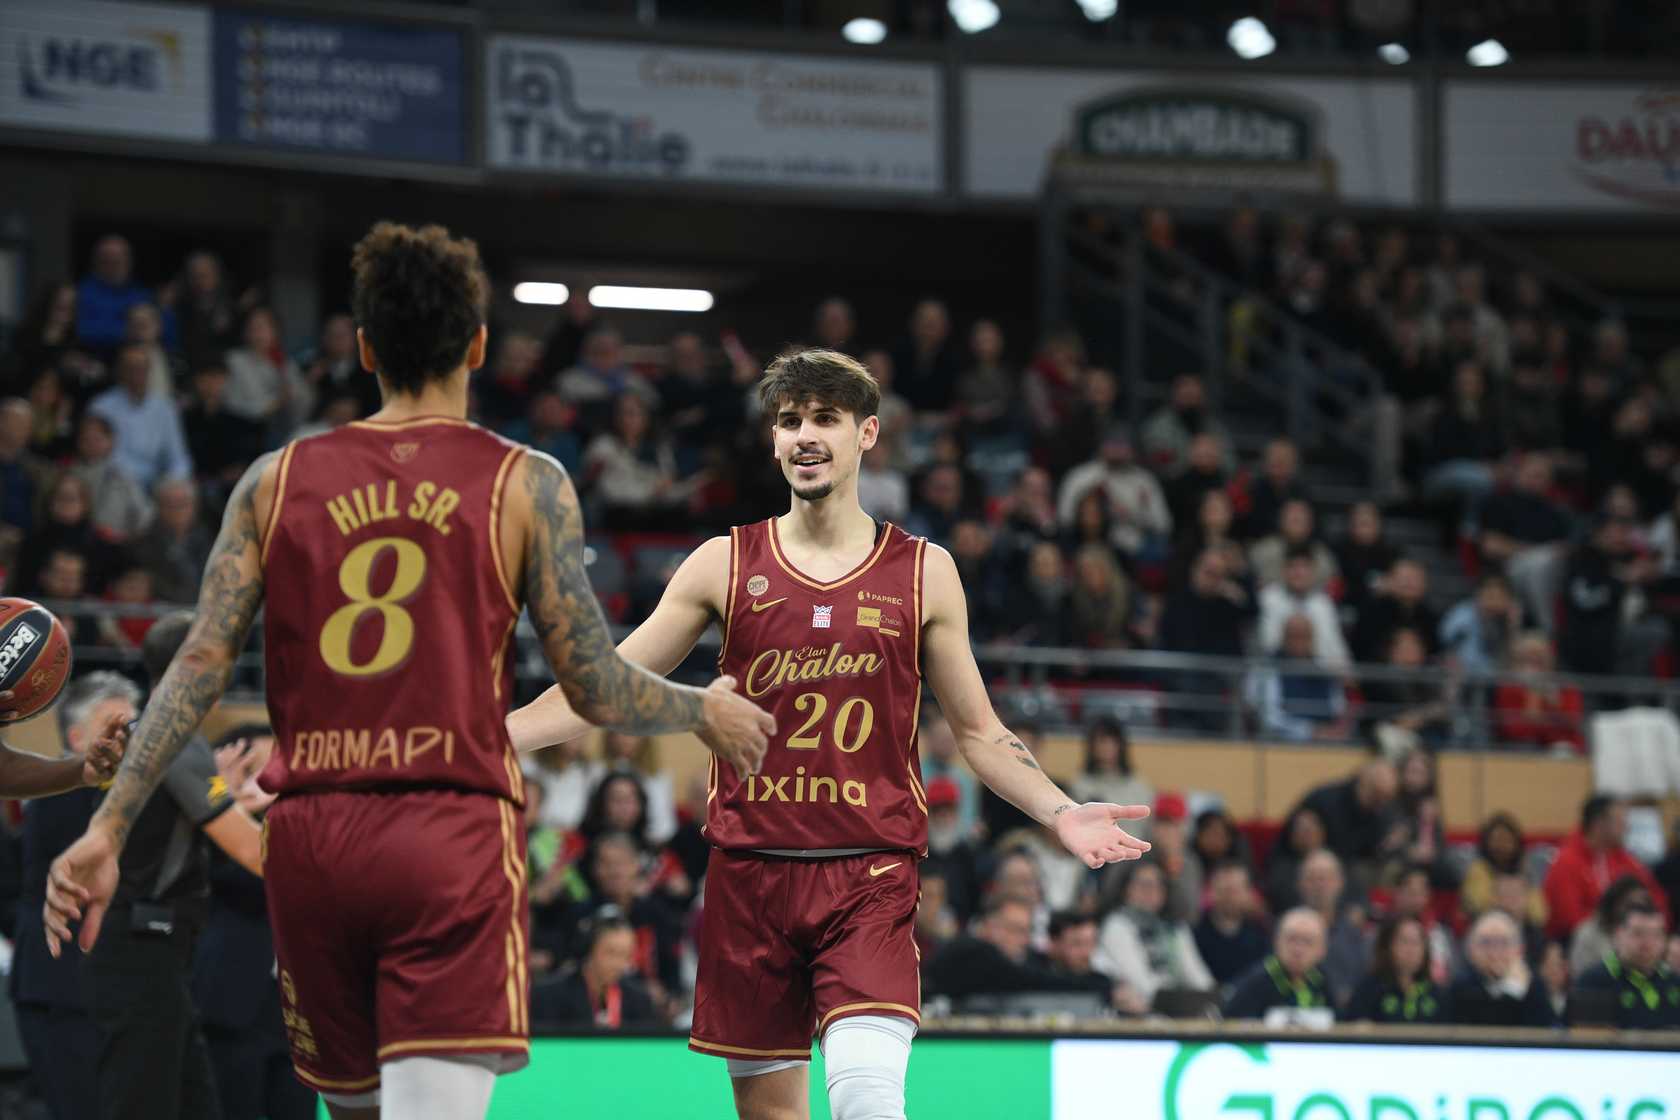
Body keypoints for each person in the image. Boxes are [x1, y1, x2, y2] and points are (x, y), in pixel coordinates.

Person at [45, 222, 776, 1120]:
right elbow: (593, 683)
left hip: (312, 838)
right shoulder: (525, 481)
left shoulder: (274, 481)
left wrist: (107, 829)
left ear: (362, 348)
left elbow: (194, 668)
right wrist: (702, 708)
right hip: (446, 833)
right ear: (476, 343)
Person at [505, 347, 1150, 1120]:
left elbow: (979, 732)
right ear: (774, 441)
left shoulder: (923, 570)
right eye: (789, 421)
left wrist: (1057, 810)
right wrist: (493, 738)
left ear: (866, 434)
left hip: (868, 874)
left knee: (867, 1100)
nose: (804, 435)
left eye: (824, 419)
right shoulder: (723, 562)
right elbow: (603, 685)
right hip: (751, 875)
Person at [69, 614, 267, 1120]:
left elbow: (213, 805)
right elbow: (251, 851)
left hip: (152, 949)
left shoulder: (161, 731)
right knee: (145, 1104)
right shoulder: (174, 738)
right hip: (139, 948)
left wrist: (238, 798)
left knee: (190, 1102)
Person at [10, 674, 132, 1120]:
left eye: (133, 728)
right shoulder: (57, 799)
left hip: (120, 989)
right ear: (78, 736)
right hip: (60, 989)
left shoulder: (128, 794)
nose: (126, 739)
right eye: (114, 726)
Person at [191, 725, 316, 1120]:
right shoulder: (208, 827)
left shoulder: (309, 823)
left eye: (273, 766)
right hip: (233, 1001)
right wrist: (221, 798)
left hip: (302, 1009)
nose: (266, 779)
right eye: (251, 768)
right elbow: (221, 874)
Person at [924, 896, 1114, 1008]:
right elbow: (1032, 980)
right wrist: (1100, 985)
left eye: (1027, 931)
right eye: (1015, 929)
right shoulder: (971, 952)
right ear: (988, 927)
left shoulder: (1017, 958)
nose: (1023, 940)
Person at [1543, 796, 1667, 941]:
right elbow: (1569, 919)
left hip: (1629, 937)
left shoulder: (1625, 859)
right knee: (1612, 960)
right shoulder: (1567, 862)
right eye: (1620, 821)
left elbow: (1655, 896)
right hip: (1586, 942)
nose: (1627, 827)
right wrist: (1615, 926)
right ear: (1599, 824)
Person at [1093, 861, 1215, 1008]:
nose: (1151, 890)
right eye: (1143, 884)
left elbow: (1196, 973)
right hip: (1141, 1006)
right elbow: (1136, 977)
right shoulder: (1117, 924)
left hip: (1178, 1002)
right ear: (1126, 889)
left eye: (1158, 885)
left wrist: (1211, 998)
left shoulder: (1175, 927)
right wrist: (1170, 1001)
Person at [88, 341, 195, 495]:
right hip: (114, 483)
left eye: (142, 367)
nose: (137, 372)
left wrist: (173, 481)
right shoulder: (101, 407)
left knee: (182, 492)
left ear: (149, 370)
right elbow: (95, 455)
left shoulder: (164, 408)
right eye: (130, 367)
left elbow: (178, 457)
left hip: (157, 484)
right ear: (120, 370)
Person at [529, 912, 661, 1029]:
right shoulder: (548, 995)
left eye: (626, 955)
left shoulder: (640, 1000)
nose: (620, 964)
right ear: (589, 950)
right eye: (611, 953)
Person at [1570, 903, 1680, 1029]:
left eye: (1656, 935)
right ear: (1618, 934)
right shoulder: (1593, 982)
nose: (1647, 943)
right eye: (1638, 933)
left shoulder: (1674, 982)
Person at [1450, 911, 1558, 1028]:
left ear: (1519, 949)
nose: (1495, 953)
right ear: (1471, 949)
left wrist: (1519, 990)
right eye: (1486, 943)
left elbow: (1547, 1031)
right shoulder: (1459, 988)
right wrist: (1512, 991)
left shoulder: (1534, 985)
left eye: (1504, 943)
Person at [1222, 908, 1333, 1020]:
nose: (1298, 949)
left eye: (1307, 941)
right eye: (1291, 939)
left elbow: (1339, 1024)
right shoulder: (1256, 982)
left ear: (1322, 949)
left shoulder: (1320, 981)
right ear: (1277, 941)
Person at [1296, 850, 1371, 1008]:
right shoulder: (1284, 933)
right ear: (1300, 884)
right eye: (1312, 879)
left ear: (1340, 883)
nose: (1319, 885)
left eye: (1325, 878)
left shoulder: (1354, 935)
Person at [1345, 916, 1450, 1024]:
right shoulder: (1368, 990)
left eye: (1416, 942)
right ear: (1388, 946)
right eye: (1404, 942)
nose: (1411, 950)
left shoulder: (1436, 994)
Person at [1460, 812, 1546, 926]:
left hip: (1522, 928)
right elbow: (1478, 903)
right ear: (1487, 843)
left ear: (1516, 843)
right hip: (1488, 927)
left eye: (1506, 840)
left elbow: (1539, 914)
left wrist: (1520, 908)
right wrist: (1508, 905)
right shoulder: (1478, 869)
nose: (1501, 845)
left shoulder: (1525, 870)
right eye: (1496, 839)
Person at [1193, 861, 1270, 987]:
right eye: (1224, 890)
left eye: (1235, 891)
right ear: (1211, 892)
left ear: (1248, 893)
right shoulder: (1195, 934)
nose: (1230, 897)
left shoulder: (1261, 934)